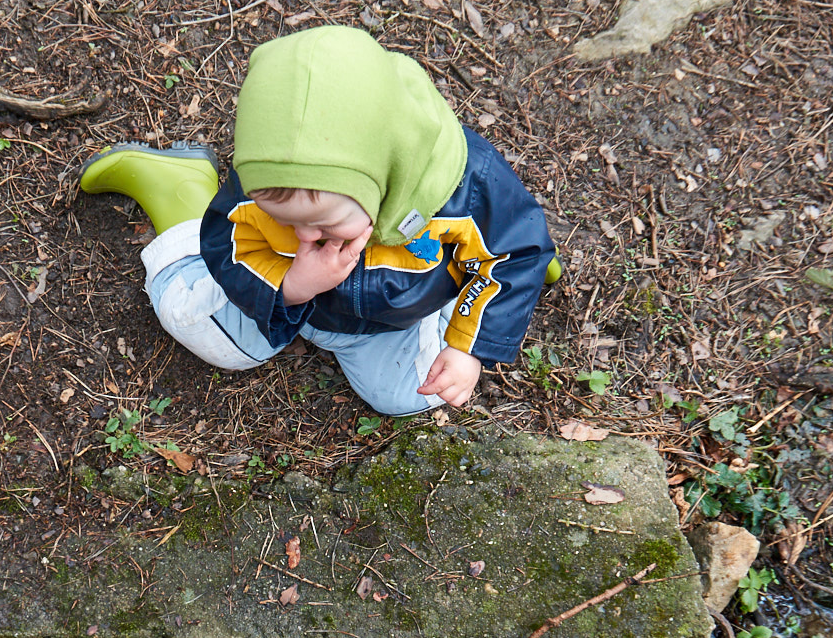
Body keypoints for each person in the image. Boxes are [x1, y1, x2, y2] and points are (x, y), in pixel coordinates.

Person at [78, 25, 562, 415]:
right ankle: (178, 192)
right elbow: (230, 243)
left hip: (389, 320)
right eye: (284, 220)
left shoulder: (463, 183)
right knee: (193, 322)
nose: (306, 236)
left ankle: (482, 277)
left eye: (324, 226)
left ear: (380, 183)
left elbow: (517, 250)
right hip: (287, 303)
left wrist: (468, 348)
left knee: (417, 391)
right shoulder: (269, 180)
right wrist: (290, 287)